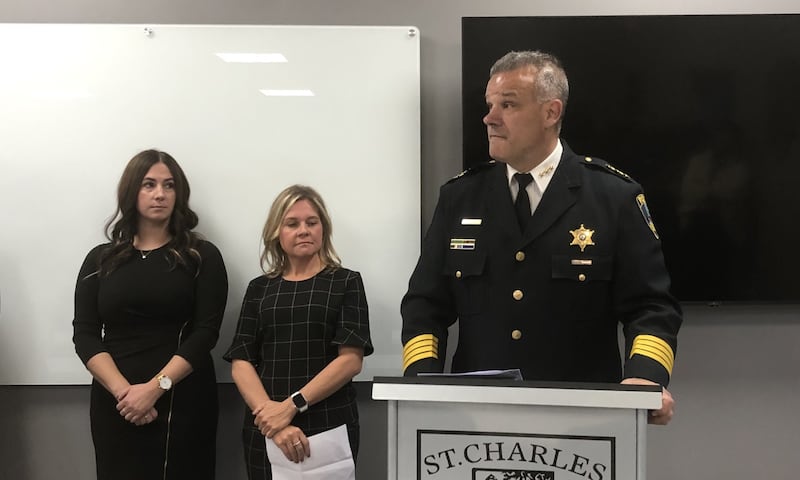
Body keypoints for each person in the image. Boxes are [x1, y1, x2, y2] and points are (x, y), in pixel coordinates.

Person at [401, 50, 682, 425]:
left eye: (508, 105)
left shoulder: (613, 196)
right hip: (476, 418)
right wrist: (422, 381)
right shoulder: (460, 197)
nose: (490, 118)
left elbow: (651, 307)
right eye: (489, 105)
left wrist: (645, 377)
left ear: (551, 112)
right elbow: (424, 305)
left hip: (583, 417)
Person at [72, 149, 229, 479]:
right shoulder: (100, 260)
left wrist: (155, 388)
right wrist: (125, 393)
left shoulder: (201, 255)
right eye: (149, 184)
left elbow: (206, 333)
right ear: (132, 191)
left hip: (182, 400)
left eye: (169, 185)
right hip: (117, 403)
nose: (160, 194)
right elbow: (85, 334)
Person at [224, 184, 373, 479]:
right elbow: (241, 361)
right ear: (276, 232)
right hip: (267, 427)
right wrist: (273, 418)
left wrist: (292, 406)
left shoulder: (345, 282)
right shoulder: (259, 289)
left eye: (311, 222)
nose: (303, 230)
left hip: (327, 424)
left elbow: (351, 360)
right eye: (292, 224)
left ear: (323, 229)